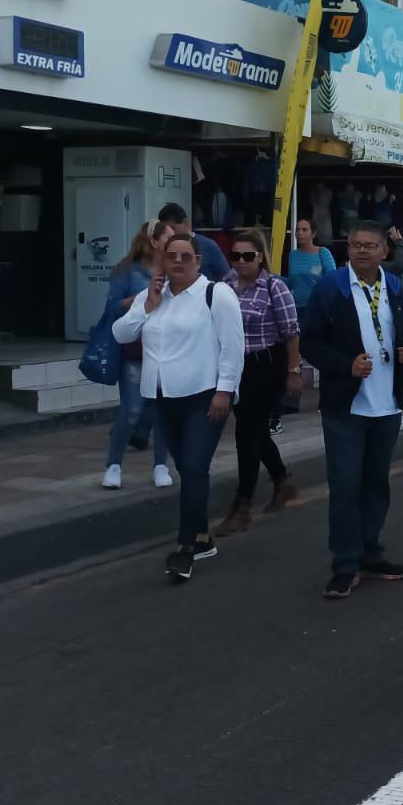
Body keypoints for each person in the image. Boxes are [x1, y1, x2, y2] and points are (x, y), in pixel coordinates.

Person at [112, 234, 244, 582]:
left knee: (195, 466)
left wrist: (225, 391)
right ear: (162, 261)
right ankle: (203, 537)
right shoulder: (152, 295)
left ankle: (185, 547)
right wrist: (147, 306)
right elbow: (121, 334)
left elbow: (233, 346)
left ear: (198, 261)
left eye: (187, 256)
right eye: (172, 256)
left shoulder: (216, 295)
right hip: (163, 397)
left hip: (204, 397)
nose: (179, 262)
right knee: (188, 469)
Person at [300, 220, 403, 599]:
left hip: (386, 404)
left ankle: (370, 553)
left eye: (370, 245)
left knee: (375, 483)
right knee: (346, 485)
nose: (362, 251)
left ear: (385, 250)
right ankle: (345, 564)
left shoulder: (395, 287)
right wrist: (344, 365)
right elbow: (309, 342)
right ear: (346, 249)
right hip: (346, 407)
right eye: (355, 245)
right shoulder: (331, 287)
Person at [212, 231, 302, 535]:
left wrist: (294, 371)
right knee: (255, 431)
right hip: (236, 367)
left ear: (260, 257)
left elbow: (290, 331)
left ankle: (243, 504)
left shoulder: (274, 287)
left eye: (247, 256)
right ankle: (281, 479)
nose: (240, 262)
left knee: (246, 433)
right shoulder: (225, 285)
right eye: (235, 256)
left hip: (267, 365)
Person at [101, 219, 175, 490]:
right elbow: (112, 308)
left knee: (161, 411)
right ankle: (113, 465)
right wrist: (144, 297)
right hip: (134, 350)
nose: (173, 242)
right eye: (168, 237)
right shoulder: (128, 270)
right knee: (132, 409)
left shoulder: (175, 269)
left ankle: (161, 465)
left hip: (166, 350)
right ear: (154, 241)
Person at [156, 201, 230, 282]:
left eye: (173, 228)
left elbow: (227, 277)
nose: (170, 233)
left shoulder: (208, 246)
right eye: (166, 230)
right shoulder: (162, 246)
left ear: (185, 223)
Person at [286, 217, 337, 311]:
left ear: (313, 234)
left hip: (318, 307)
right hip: (298, 308)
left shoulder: (323, 253)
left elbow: (332, 281)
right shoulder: (293, 255)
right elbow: (293, 283)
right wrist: (272, 276)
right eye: (297, 230)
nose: (300, 233)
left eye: (304, 230)